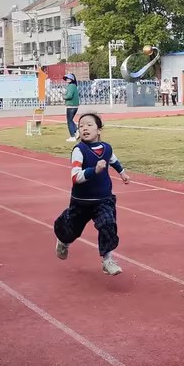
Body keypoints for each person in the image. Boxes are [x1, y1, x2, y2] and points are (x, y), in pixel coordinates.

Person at [53, 112, 131, 275]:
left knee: (108, 224)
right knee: (71, 231)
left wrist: (122, 173)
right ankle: (63, 242)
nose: (85, 128)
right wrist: (94, 170)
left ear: (99, 130)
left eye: (89, 125)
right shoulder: (79, 150)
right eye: (81, 126)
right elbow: (75, 177)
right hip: (81, 201)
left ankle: (107, 260)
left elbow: (113, 160)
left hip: (103, 199)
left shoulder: (107, 148)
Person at [63, 73, 81, 140]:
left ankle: (72, 136)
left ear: (71, 79)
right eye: (67, 78)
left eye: (69, 78)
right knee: (71, 120)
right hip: (75, 106)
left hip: (71, 106)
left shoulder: (71, 86)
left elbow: (69, 96)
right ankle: (76, 131)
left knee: (69, 121)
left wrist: (64, 97)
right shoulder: (74, 86)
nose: (67, 79)